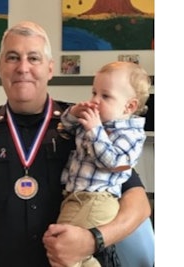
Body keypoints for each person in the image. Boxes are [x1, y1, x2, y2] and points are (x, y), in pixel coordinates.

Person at [0, 21, 154, 267]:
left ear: (50, 69)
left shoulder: (85, 122)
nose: (22, 67)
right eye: (12, 57)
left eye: (33, 58)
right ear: (1, 67)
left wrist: (94, 240)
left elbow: (139, 205)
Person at [55, 61, 150, 267]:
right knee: (71, 255)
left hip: (97, 199)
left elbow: (114, 162)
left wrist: (95, 130)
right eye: (94, 92)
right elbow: (66, 128)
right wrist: (74, 113)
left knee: (61, 248)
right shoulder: (96, 121)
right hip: (76, 197)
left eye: (105, 96)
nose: (95, 100)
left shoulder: (130, 133)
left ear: (130, 106)